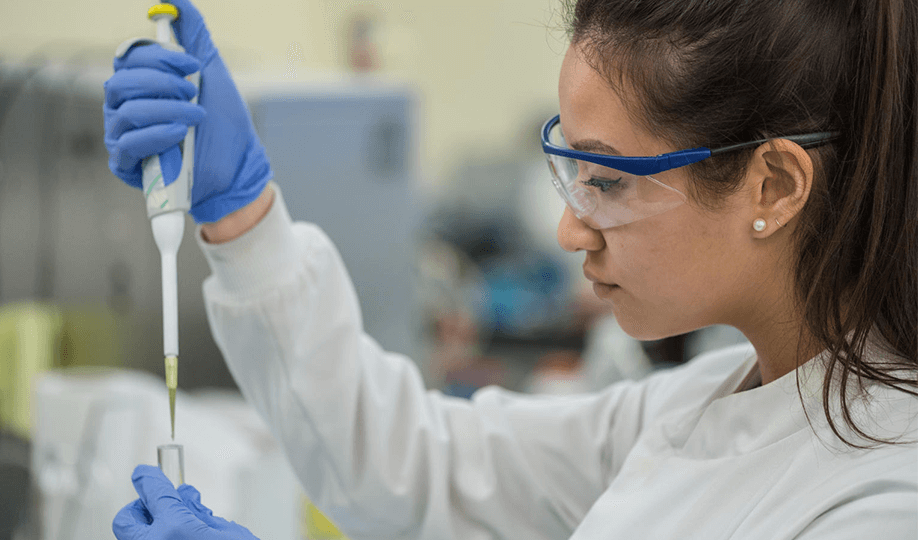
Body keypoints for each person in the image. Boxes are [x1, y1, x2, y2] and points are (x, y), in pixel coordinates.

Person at [103, 0, 917, 538]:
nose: (569, 228)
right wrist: (241, 218)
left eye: (608, 180)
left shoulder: (881, 501)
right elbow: (421, 465)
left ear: (772, 185)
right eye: (569, 170)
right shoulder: (701, 407)